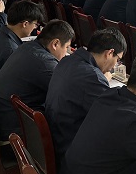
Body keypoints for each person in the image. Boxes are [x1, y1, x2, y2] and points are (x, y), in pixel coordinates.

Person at [45, 28, 126, 162]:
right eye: (118, 59)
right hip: (71, 152)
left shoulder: (67, 61)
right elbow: (113, 120)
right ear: (109, 53)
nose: (114, 65)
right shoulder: (92, 77)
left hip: (58, 138)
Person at [0, 20, 74, 141]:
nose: (66, 53)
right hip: (14, 128)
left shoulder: (27, 47)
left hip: (3, 117)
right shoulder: (44, 62)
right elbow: (69, 93)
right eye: (66, 47)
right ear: (55, 44)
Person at [0, 0, 44, 98]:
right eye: (35, 24)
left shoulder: (0, 35)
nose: (35, 28)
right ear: (25, 24)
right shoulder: (10, 49)